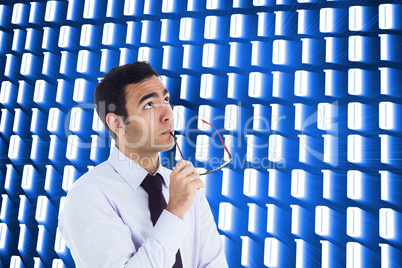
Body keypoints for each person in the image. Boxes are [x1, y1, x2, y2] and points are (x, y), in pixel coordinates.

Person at [57, 61, 228, 267]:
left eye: (166, 99)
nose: (168, 114)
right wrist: (175, 210)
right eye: (149, 105)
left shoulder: (187, 189)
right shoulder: (88, 195)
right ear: (117, 123)